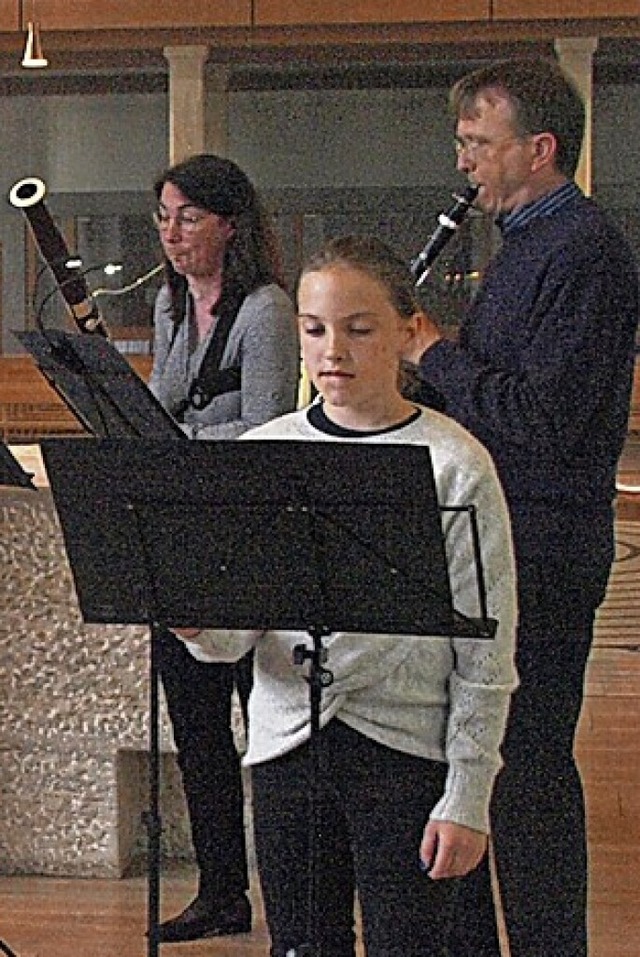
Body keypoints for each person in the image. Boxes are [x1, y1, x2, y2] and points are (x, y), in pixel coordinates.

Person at [171, 235, 518, 957]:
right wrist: (200, 624)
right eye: (315, 328)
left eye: (359, 329)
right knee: (300, 943)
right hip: (287, 749)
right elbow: (239, 635)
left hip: (407, 751)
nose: (334, 349)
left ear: (404, 331)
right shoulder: (265, 450)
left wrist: (468, 794)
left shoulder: (455, 463)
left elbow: (487, 651)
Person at [402, 59, 640, 957]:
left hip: (542, 541)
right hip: (502, 533)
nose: (466, 164)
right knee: (486, 767)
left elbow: (540, 424)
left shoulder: (583, 252)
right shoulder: (530, 245)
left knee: (528, 769)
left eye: (479, 144)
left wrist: (434, 355)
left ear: (540, 151)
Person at [147, 153, 300, 942]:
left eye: (188, 218)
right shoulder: (173, 306)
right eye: (164, 217)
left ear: (230, 224)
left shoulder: (266, 309)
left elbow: (271, 428)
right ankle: (221, 889)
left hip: (246, 536)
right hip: (184, 536)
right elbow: (165, 400)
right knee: (197, 726)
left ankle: (292, 891)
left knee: (264, 717)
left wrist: (181, 439)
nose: (172, 234)